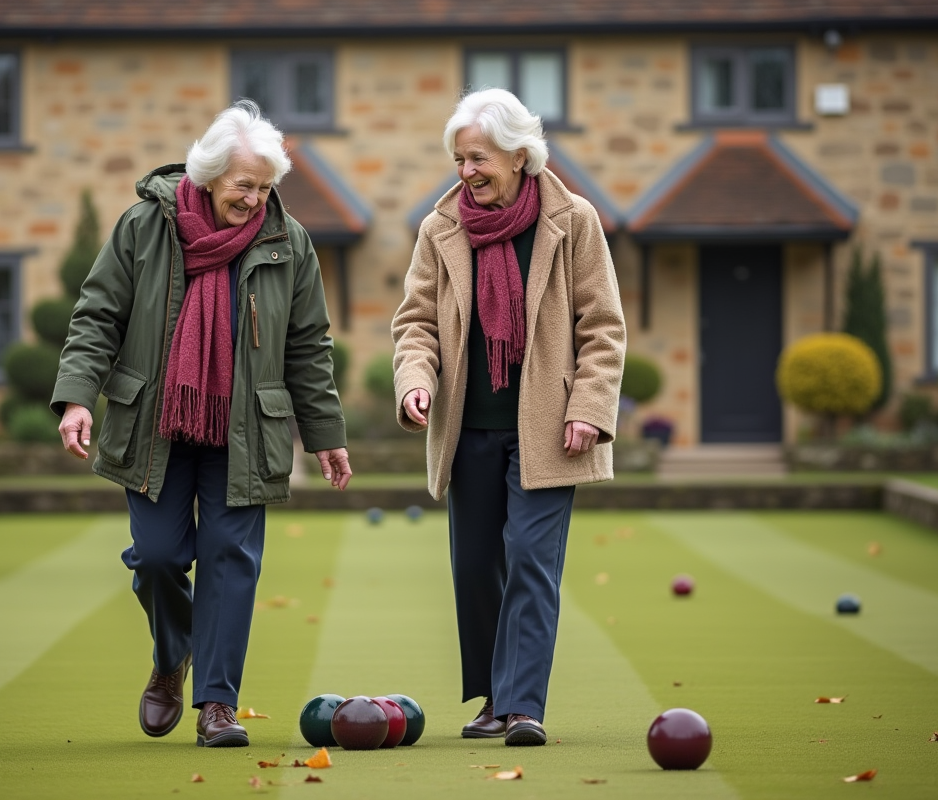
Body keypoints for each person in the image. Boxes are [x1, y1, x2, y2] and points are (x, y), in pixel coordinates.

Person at [52, 100, 351, 748]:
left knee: (229, 560)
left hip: (244, 434)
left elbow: (307, 346)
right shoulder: (143, 228)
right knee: (158, 558)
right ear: (210, 176)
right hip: (155, 427)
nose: (257, 199)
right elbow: (97, 316)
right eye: (246, 186)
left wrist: (326, 436)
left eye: (267, 187)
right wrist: (77, 398)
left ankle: (218, 704)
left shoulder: (287, 241)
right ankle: (171, 657)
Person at [391, 88, 625, 746]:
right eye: (459, 159)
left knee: (528, 556)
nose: (466, 171)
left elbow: (603, 329)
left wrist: (589, 408)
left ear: (521, 155)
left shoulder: (574, 221)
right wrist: (416, 381)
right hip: (467, 427)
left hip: (551, 427)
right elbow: (415, 325)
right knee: (474, 567)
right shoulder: (440, 229)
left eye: (478, 158)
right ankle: (494, 696)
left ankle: (522, 707)